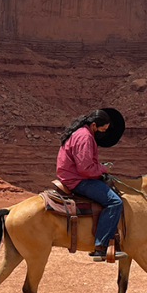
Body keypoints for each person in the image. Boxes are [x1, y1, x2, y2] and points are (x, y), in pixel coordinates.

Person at [56, 109, 127, 261]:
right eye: (103, 129)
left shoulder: (80, 132)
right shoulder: (85, 137)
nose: (104, 132)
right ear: (94, 125)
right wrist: (103, 169)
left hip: (72, 175)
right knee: (114, 202)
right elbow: (85, 169)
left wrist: (99, 168)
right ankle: (100, 247)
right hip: (77, 179)